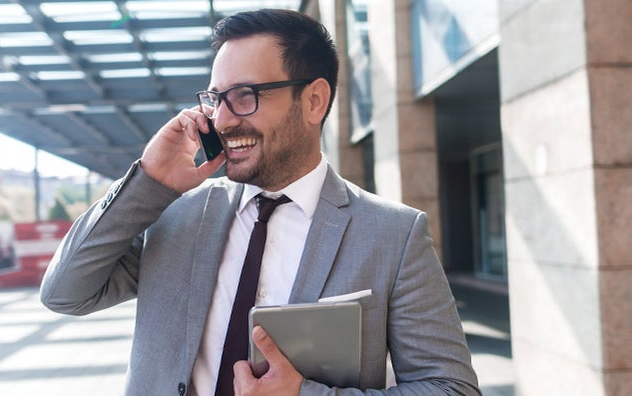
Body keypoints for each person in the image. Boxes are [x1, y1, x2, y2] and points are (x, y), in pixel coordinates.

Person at [41, 8, 479, 396]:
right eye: (215, 99)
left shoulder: (393, 235)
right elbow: (65, 294)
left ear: (313, 100)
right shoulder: (177, 213)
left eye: (245, 96)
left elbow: (452, 386)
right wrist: (148, 182)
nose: (224, 120)